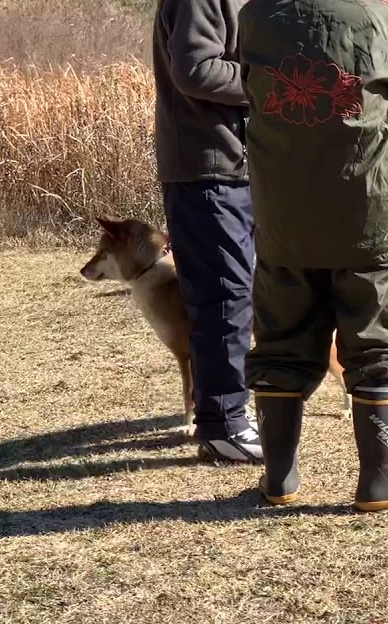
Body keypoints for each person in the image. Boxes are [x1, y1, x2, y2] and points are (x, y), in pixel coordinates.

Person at [236, 0, 388, 511]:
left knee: (281, 338)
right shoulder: (378, 17)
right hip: (364, 210)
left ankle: (278, 478)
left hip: (283, 212)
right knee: (376, 337)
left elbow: (250, 91)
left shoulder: (256, 15)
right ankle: (383, 475)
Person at [153, 0, 261, 463]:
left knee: (231, 292)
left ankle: (225, 411)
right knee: (224, 294)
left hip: (225, 166)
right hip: (208, 170)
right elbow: (196, 70)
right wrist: (268, 84)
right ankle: (224, 426)